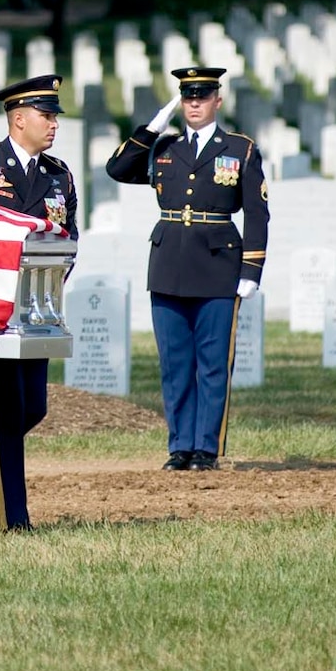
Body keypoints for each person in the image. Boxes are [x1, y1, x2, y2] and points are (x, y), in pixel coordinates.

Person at [105, 67, 268, 471]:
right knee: (175, 363)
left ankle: (206, 449)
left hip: (217, 267)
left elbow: (258, 214)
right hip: (168, 266)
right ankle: (179, 446)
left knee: (212, 362)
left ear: (217, 100)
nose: (194, 103)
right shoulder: (165, 147)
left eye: (202, 96)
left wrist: (251, 270)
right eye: (187, 97)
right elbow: (118, 169)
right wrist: (150, 129)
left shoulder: (239, 148)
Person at [0, 74, 79, 528]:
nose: (53, 125)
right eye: (46, 116)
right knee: (1, 410)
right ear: (18, 118)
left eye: (55, 117)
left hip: (34, 313)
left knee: (30, 408)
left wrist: (48, 286)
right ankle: (6, 518)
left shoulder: (57, 174)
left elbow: (69, 239)